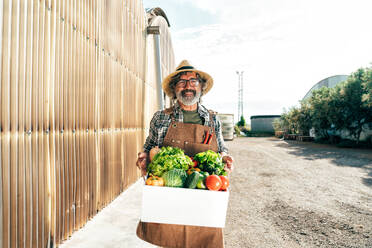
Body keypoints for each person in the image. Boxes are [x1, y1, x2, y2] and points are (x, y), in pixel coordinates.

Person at [136, 60, 234, 248]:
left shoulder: (213, 119)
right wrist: (143, 159)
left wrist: (225, 159)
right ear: (174, 89)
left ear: (201, 87)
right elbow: (149, 148)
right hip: (168, 198)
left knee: (202, 238)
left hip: (203, 194)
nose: (188, 86)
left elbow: (222, 150)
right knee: (167, 239)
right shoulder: (161, 117)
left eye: (193, 81)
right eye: (181, 82)